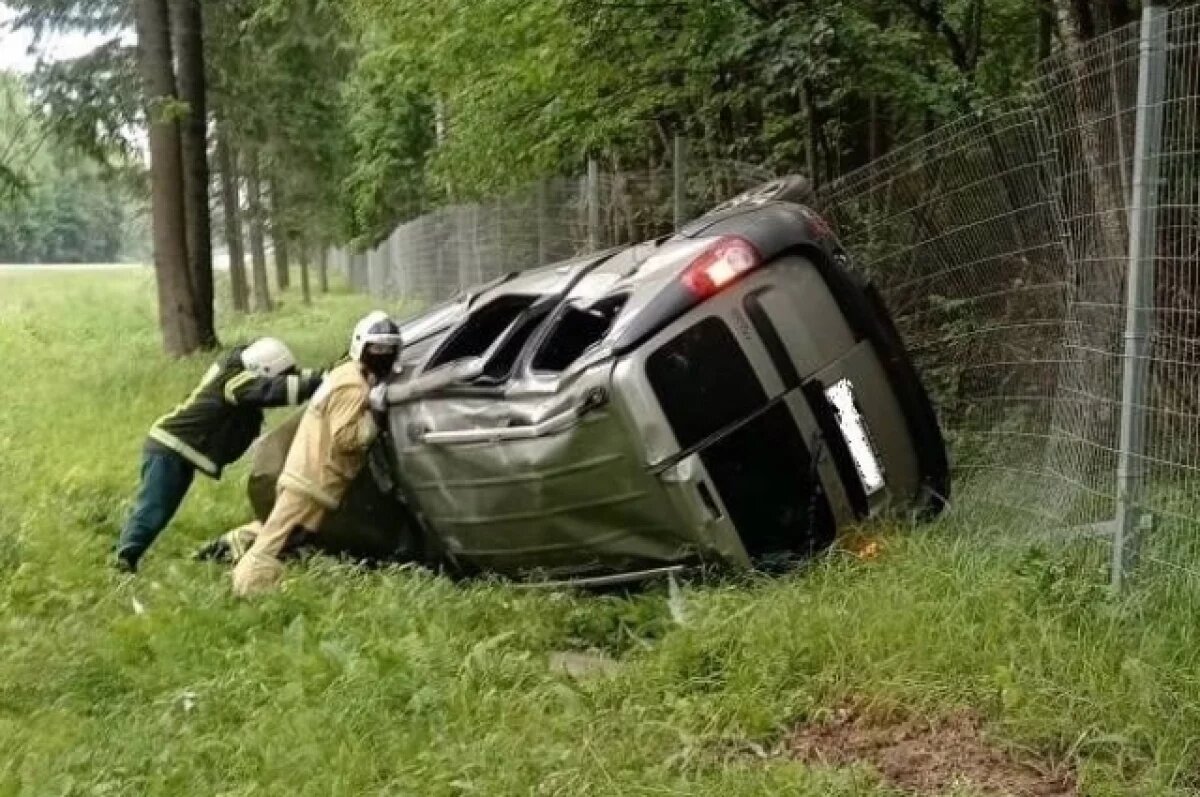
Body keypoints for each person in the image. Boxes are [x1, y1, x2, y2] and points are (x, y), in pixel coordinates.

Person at [227, 311, 402, 596]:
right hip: (316, 479)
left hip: (307, 473)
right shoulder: (353, 387)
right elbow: (345, 439)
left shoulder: (344, 374)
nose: (383, 354)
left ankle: (244, 540)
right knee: (278, 542)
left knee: (286, 533)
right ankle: (247, 590)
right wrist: (376, 417)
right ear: (362, 346)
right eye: (377, 348)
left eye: (388, 349)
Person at [114, 338, 325, 573]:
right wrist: (319, 383)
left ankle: (128, 552)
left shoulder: (242, 368)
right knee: (155, 507)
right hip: (169, 448)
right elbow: (272, 390)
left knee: (161, 508)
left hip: (177, 449)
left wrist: (327, 375)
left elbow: (288, 378)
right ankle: (124, 559)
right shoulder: (235, 383)